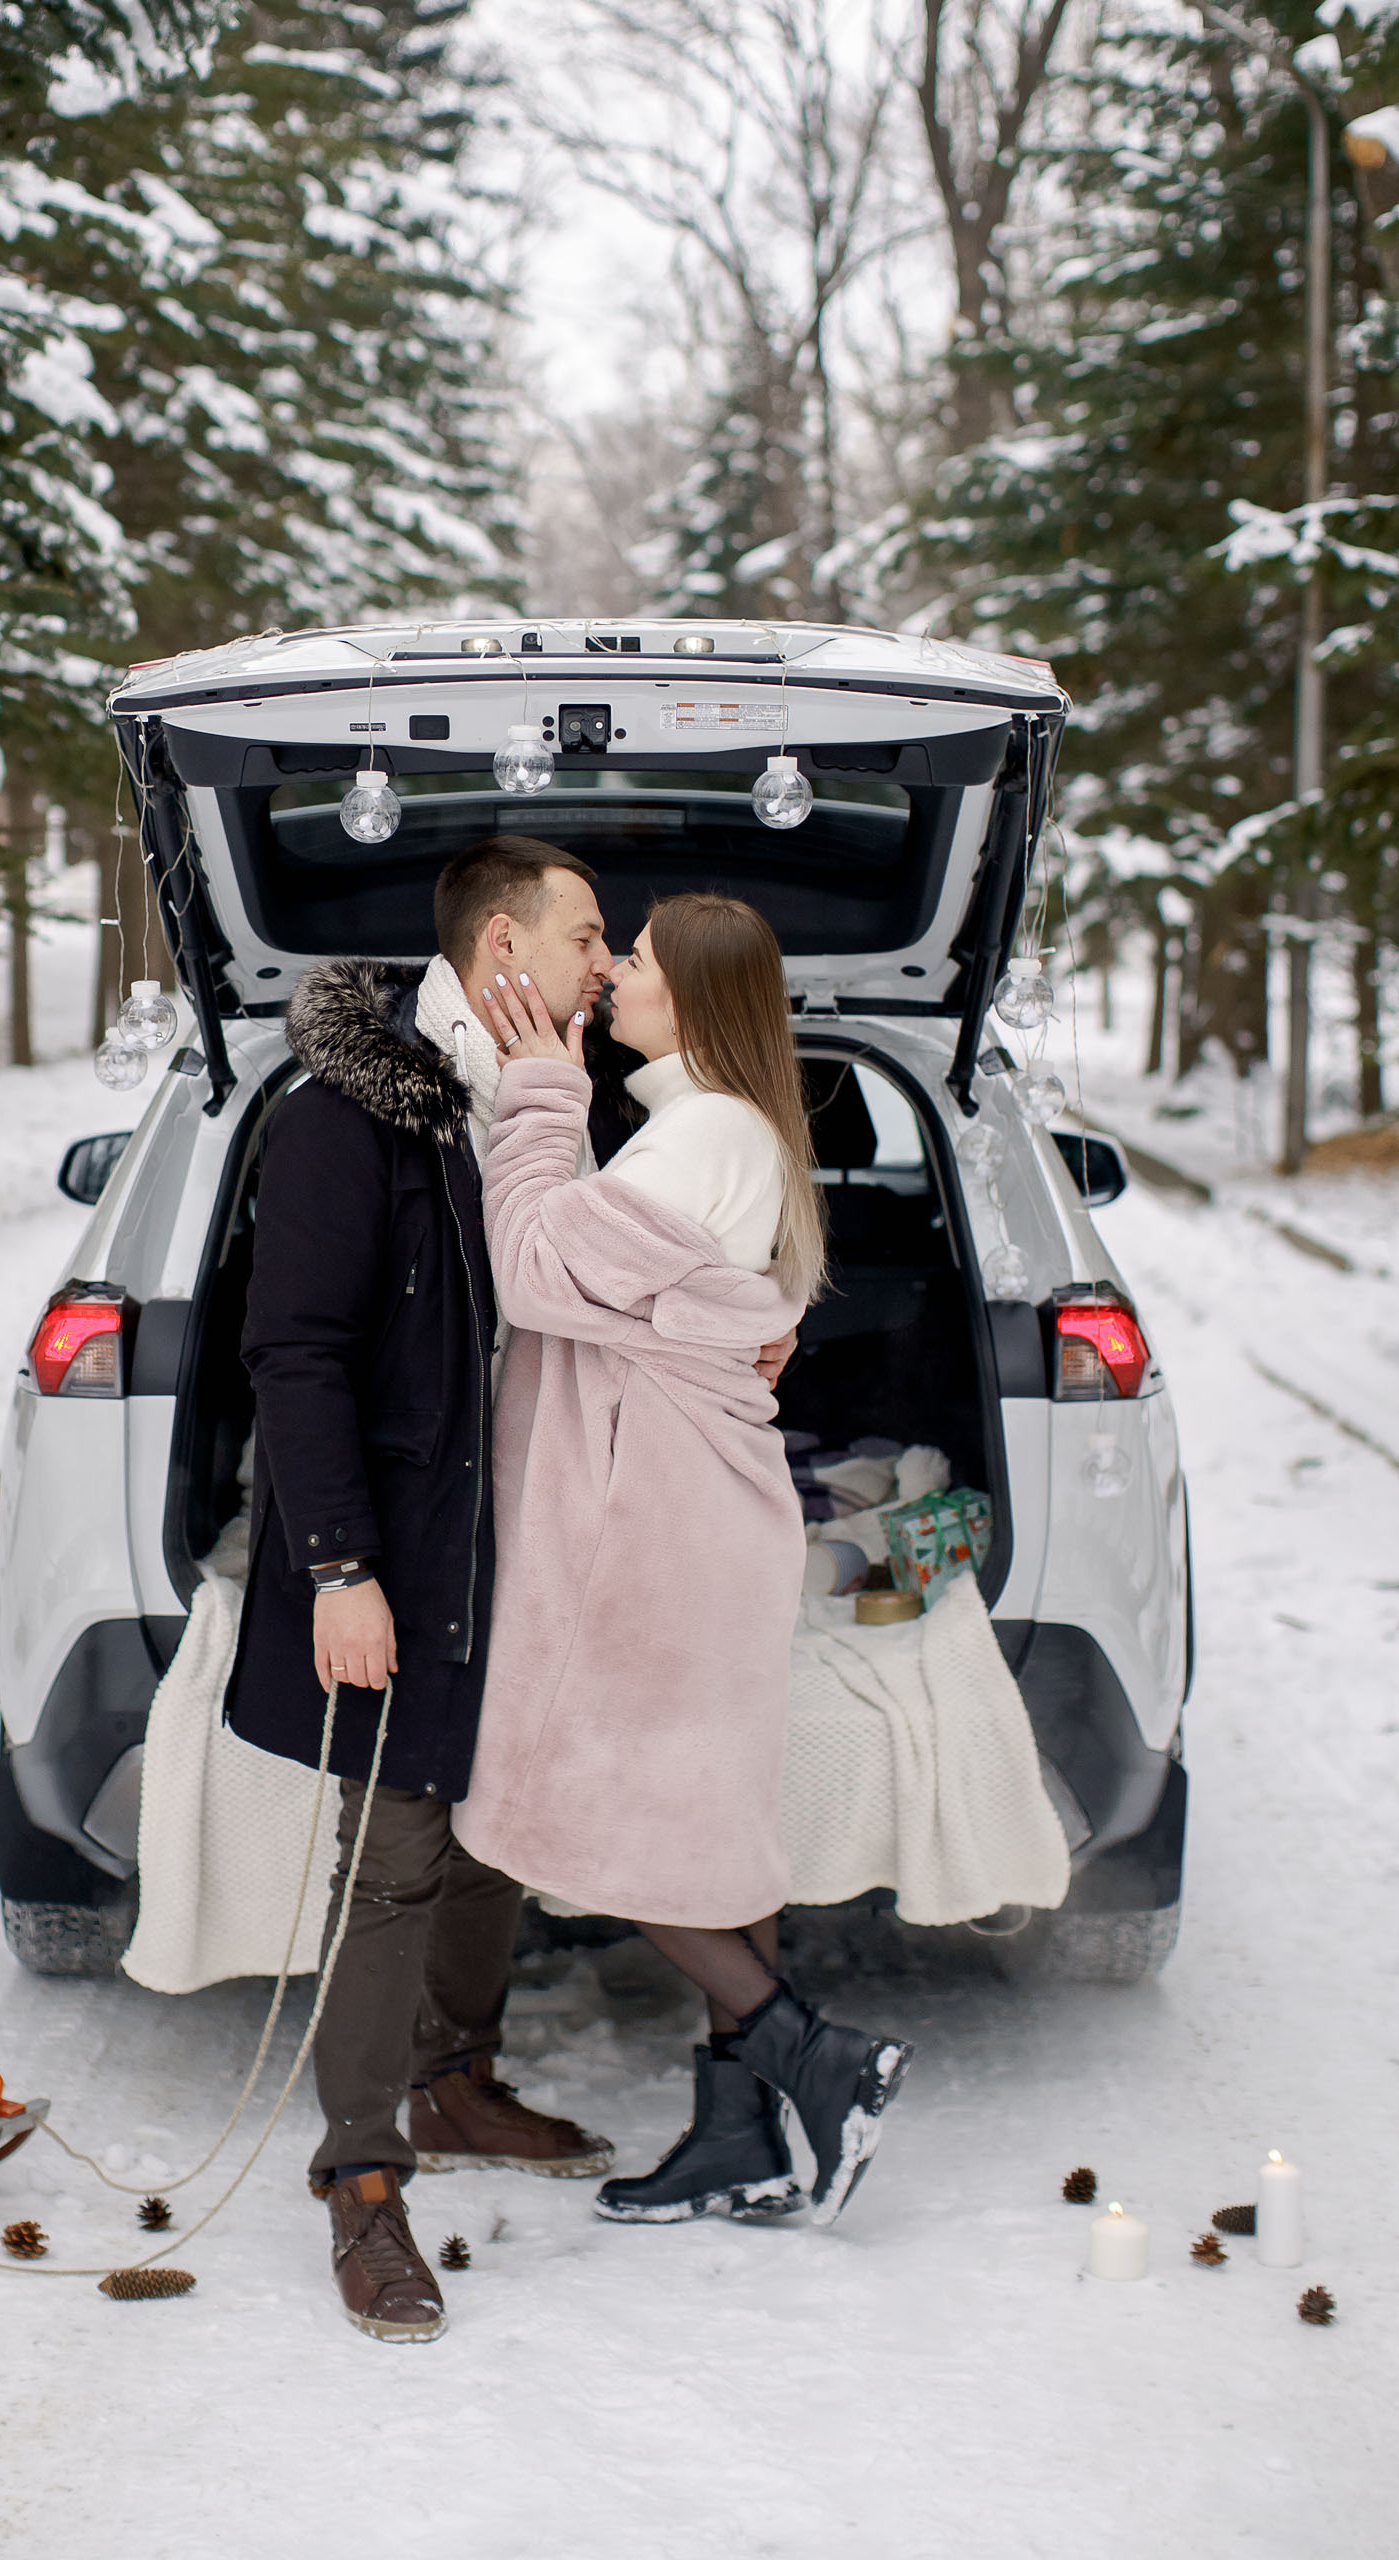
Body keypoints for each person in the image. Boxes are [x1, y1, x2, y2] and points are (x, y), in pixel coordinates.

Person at [454, 892, 914, 2230]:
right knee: (709, 1836)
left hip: (654, 1537)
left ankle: (815, 2057)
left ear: (694, 998)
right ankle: (737, 2137)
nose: (612, 977)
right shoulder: (716, 1130)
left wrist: (542, 1090)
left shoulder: (702, 1131)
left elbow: (536, 1270)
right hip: (707, 1526)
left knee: (604, 1822)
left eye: (636, 962)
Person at [226, 835, 623, 2344]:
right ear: (503, 947)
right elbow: (294, 1356)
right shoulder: (348, 1118)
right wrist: (340, 1567)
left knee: (498, 1820)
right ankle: (363, 2178)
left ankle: (455, 2079)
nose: (607, 961)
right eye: (589, 936)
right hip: (398, 1546)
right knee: (394, 1850)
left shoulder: (568, 1102)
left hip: (529, 1539)